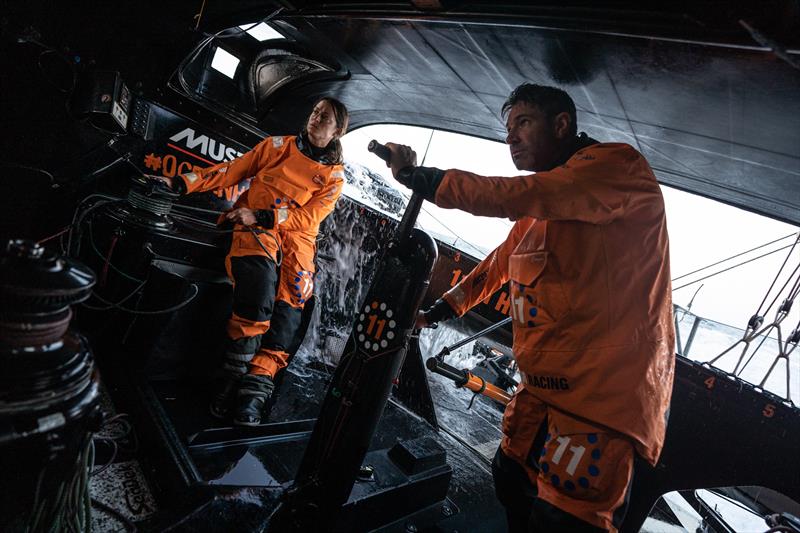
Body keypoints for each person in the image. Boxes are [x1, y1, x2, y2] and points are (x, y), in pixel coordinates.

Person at [384, 84, 674, 532]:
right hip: (542, 389)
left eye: (523, 123)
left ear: (561, 125)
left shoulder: (618, 168)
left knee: (564, 518)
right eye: (508, 128)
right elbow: (497, 268)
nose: (510, 138)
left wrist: (418, 177)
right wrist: (438, 311)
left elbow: (508, 195)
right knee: (509, 476)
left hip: (600, 400)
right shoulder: (543, 210)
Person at [156, 97, 349, 426]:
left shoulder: (334, 179)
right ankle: (229, 381)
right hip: (254, 226)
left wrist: (264, 214)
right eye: (315, 111)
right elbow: (230, 171)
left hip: (295, 238)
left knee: (293, 307)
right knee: (258, 292)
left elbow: (308, 218)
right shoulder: (276, 147)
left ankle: (256, 388)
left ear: (337, 131)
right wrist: (180, 182)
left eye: (326, 117)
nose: (316, 118)